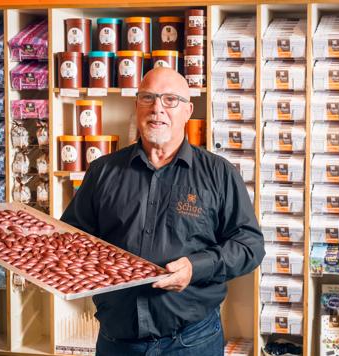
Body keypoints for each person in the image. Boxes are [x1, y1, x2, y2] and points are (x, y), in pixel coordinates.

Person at [61, 67, 265, 356]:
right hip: (117, 341)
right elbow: (72, 240)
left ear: (188, 111)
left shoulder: (219, 173)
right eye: (148, 98)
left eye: (170, 100)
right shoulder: (102, 171)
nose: (157, 108)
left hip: (192, 341)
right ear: (136, 105)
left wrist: (197, 267)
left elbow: (250, 246)